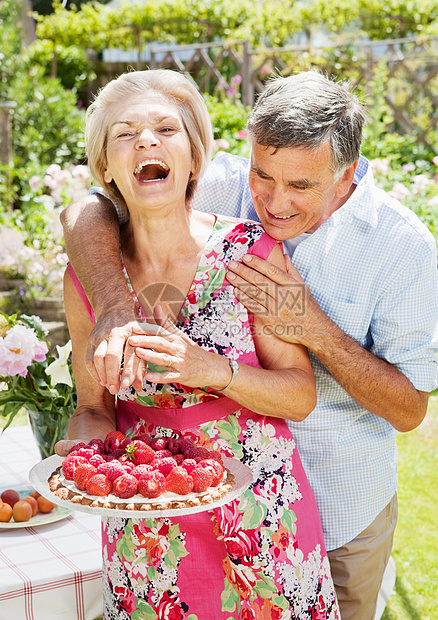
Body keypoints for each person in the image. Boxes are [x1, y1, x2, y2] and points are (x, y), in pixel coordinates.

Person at [60, 70, 438, 620]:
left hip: (325, 502)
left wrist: (313, 329)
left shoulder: (397, 246)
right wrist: (114, 306)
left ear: (346, 173)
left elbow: (409, 409)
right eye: (263, 176)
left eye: (300, 186)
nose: (274, 203)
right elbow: (86, 210)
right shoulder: (217, 189)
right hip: (158, 529)